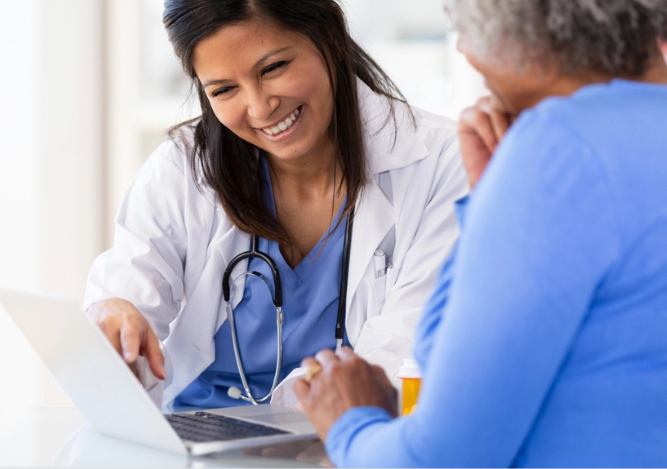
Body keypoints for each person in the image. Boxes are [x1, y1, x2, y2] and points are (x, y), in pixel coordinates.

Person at [293, 0, 667, 466]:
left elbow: (441, 459)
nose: (463, 49)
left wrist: (349, 422)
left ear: (523, 23)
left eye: (465, 26)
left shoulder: (557, 151)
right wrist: (491, 203)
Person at [83, 0, 468, 410]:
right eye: (224, 89)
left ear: (330, 37)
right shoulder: (181, 170)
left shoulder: (442, 165)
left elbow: (407, 350)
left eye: (272, 68)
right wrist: (115, 318)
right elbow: (128, 289)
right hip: (193, 444)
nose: (260, 107)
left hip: (340, 441)